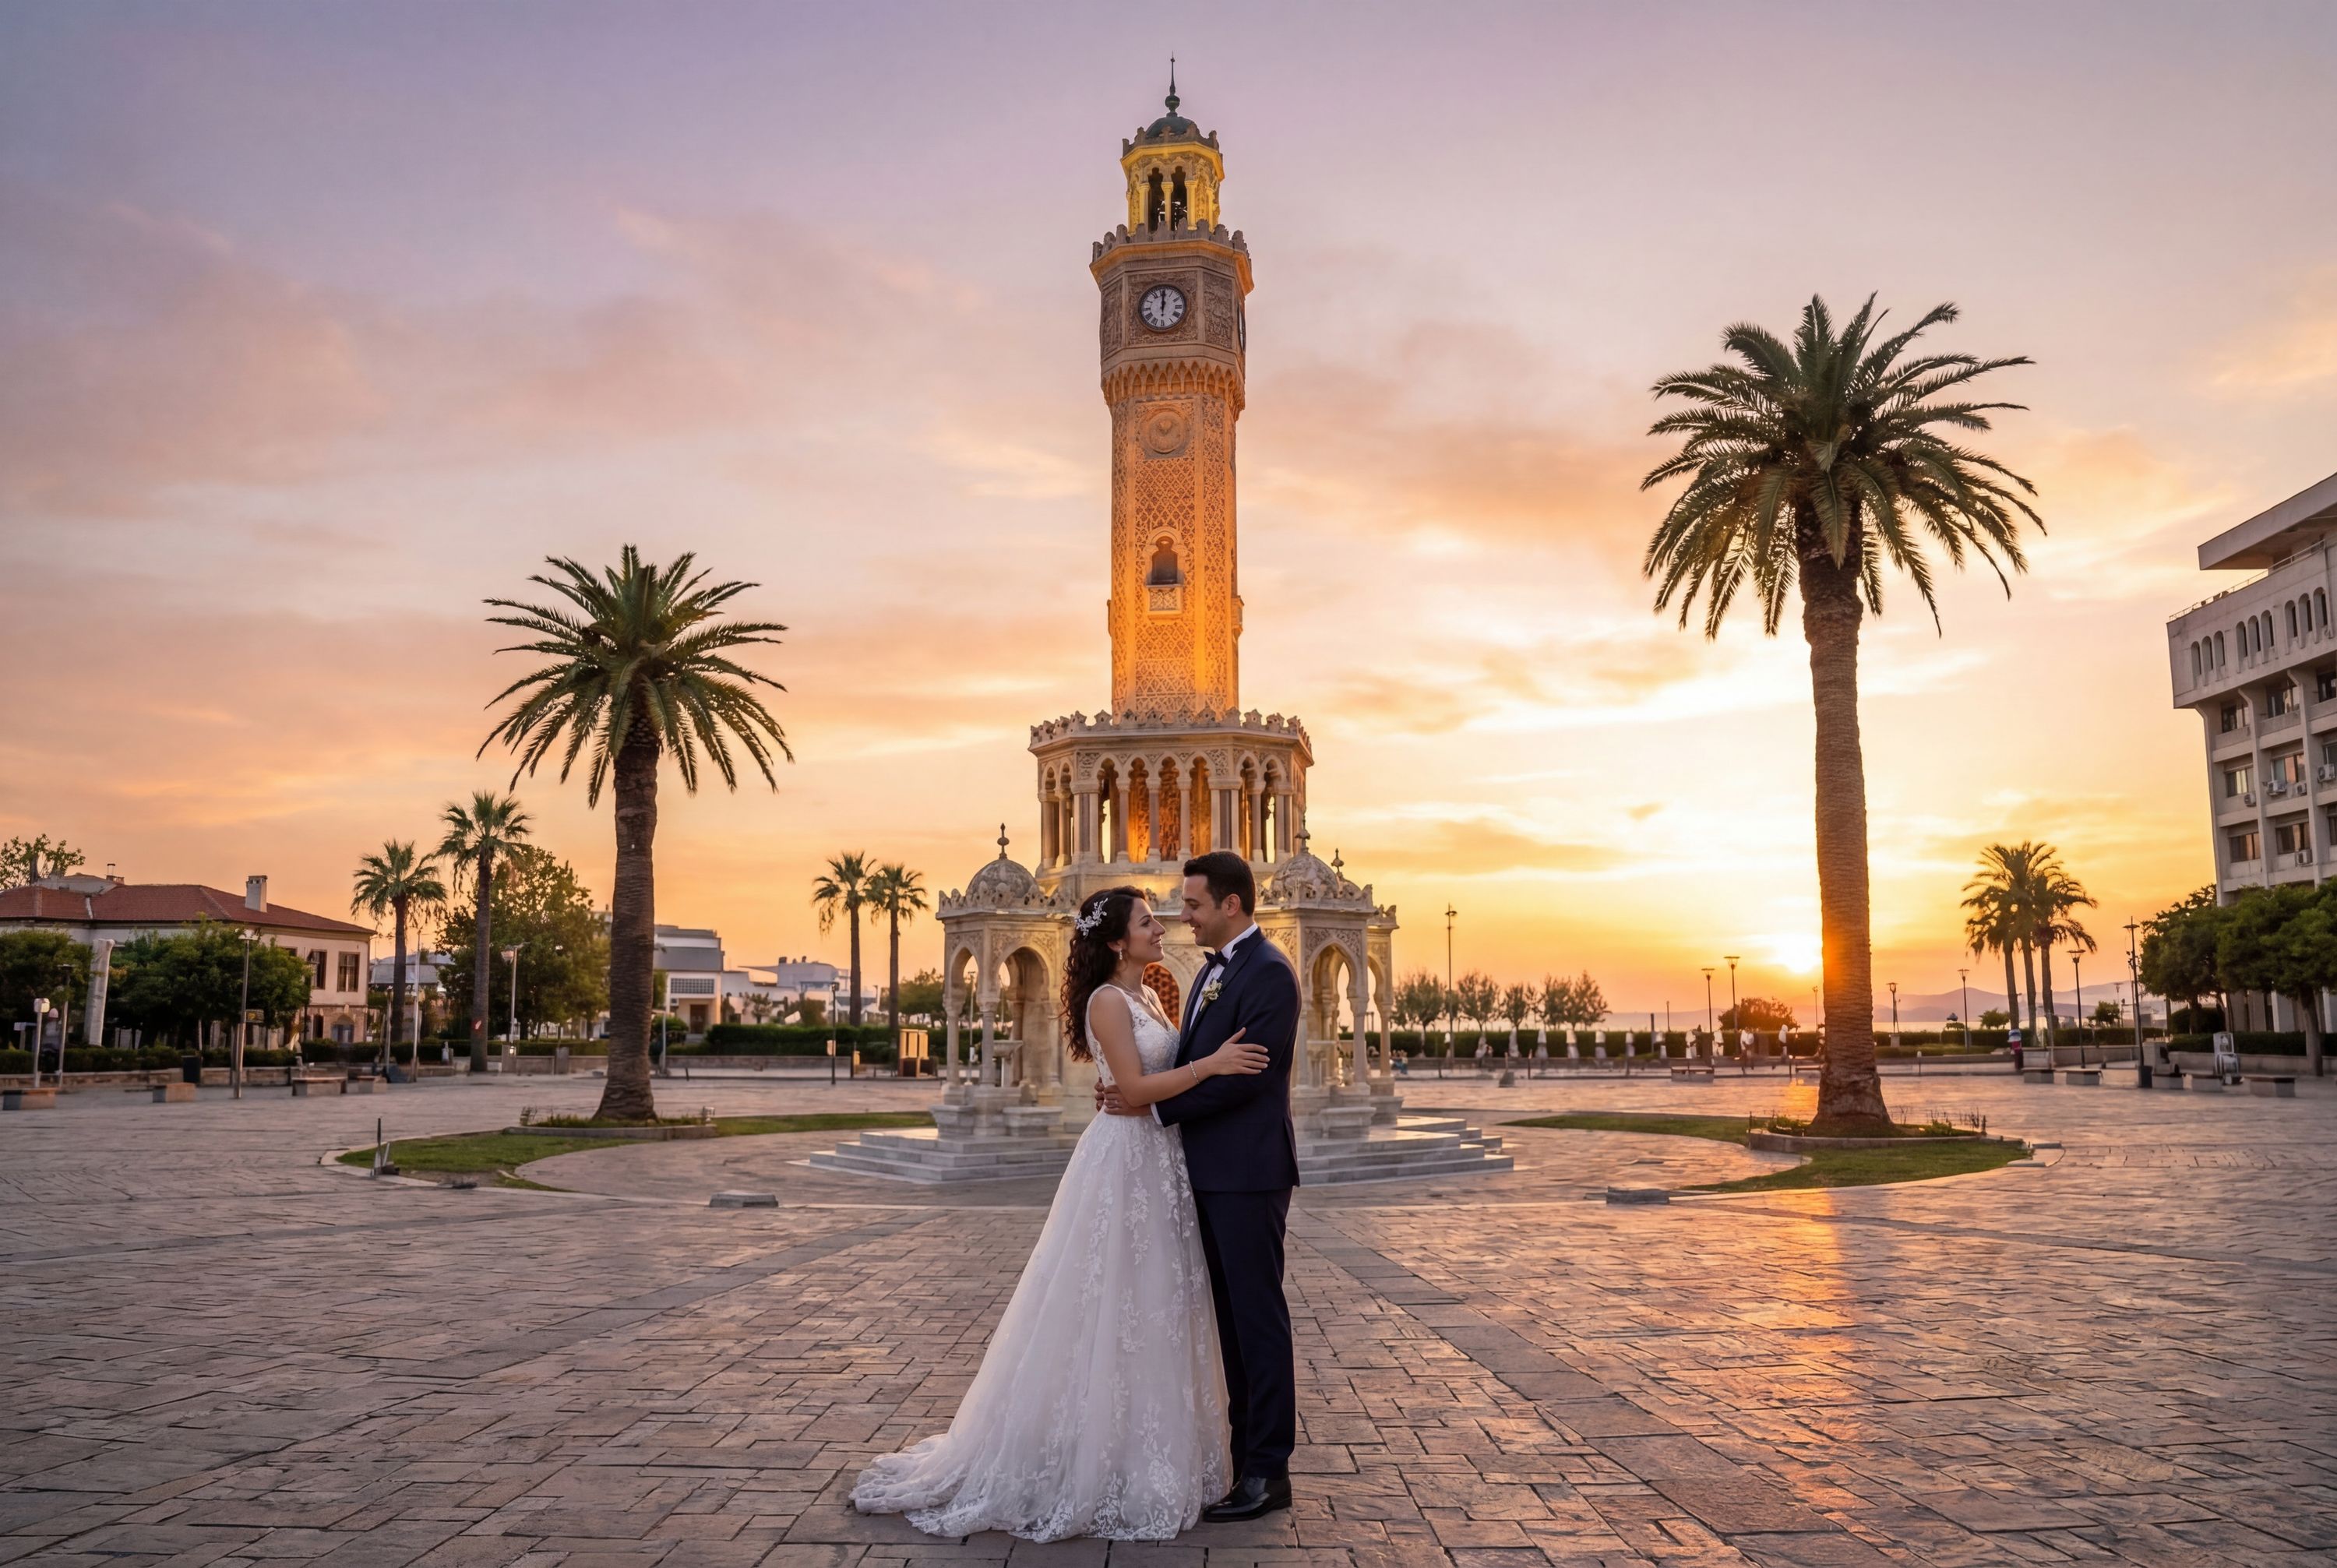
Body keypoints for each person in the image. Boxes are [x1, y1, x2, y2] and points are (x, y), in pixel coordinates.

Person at [851, 885, 1267, 1542]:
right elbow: (1132, 1087)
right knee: (1110, 1300)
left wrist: (1185, 1076)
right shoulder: (1107, 1000)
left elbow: (1145, 1079)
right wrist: (1212, 1066)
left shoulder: (1152, 995)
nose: (1160, 926)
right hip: (1125, 1158)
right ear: (1115, 942)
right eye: (1146, 922)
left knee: (1157, 1299)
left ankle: (1149, 1450)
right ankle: (1091, 1458)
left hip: (1159, 1159)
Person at [1099, 851, 1302, 1524]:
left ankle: (1269, 1470)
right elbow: (1193, 1062)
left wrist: (1154, 1107)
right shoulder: (1219, 972)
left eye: (1192, 905)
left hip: (1247, 1175)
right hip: (1207, 1173)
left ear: (1231, 906)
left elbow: (1248, 1077)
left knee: (1258, 1322)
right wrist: (1137, 1089)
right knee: (1232, 1326)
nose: (1181, 916)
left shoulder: (1269, 974)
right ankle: (1245, 1461)